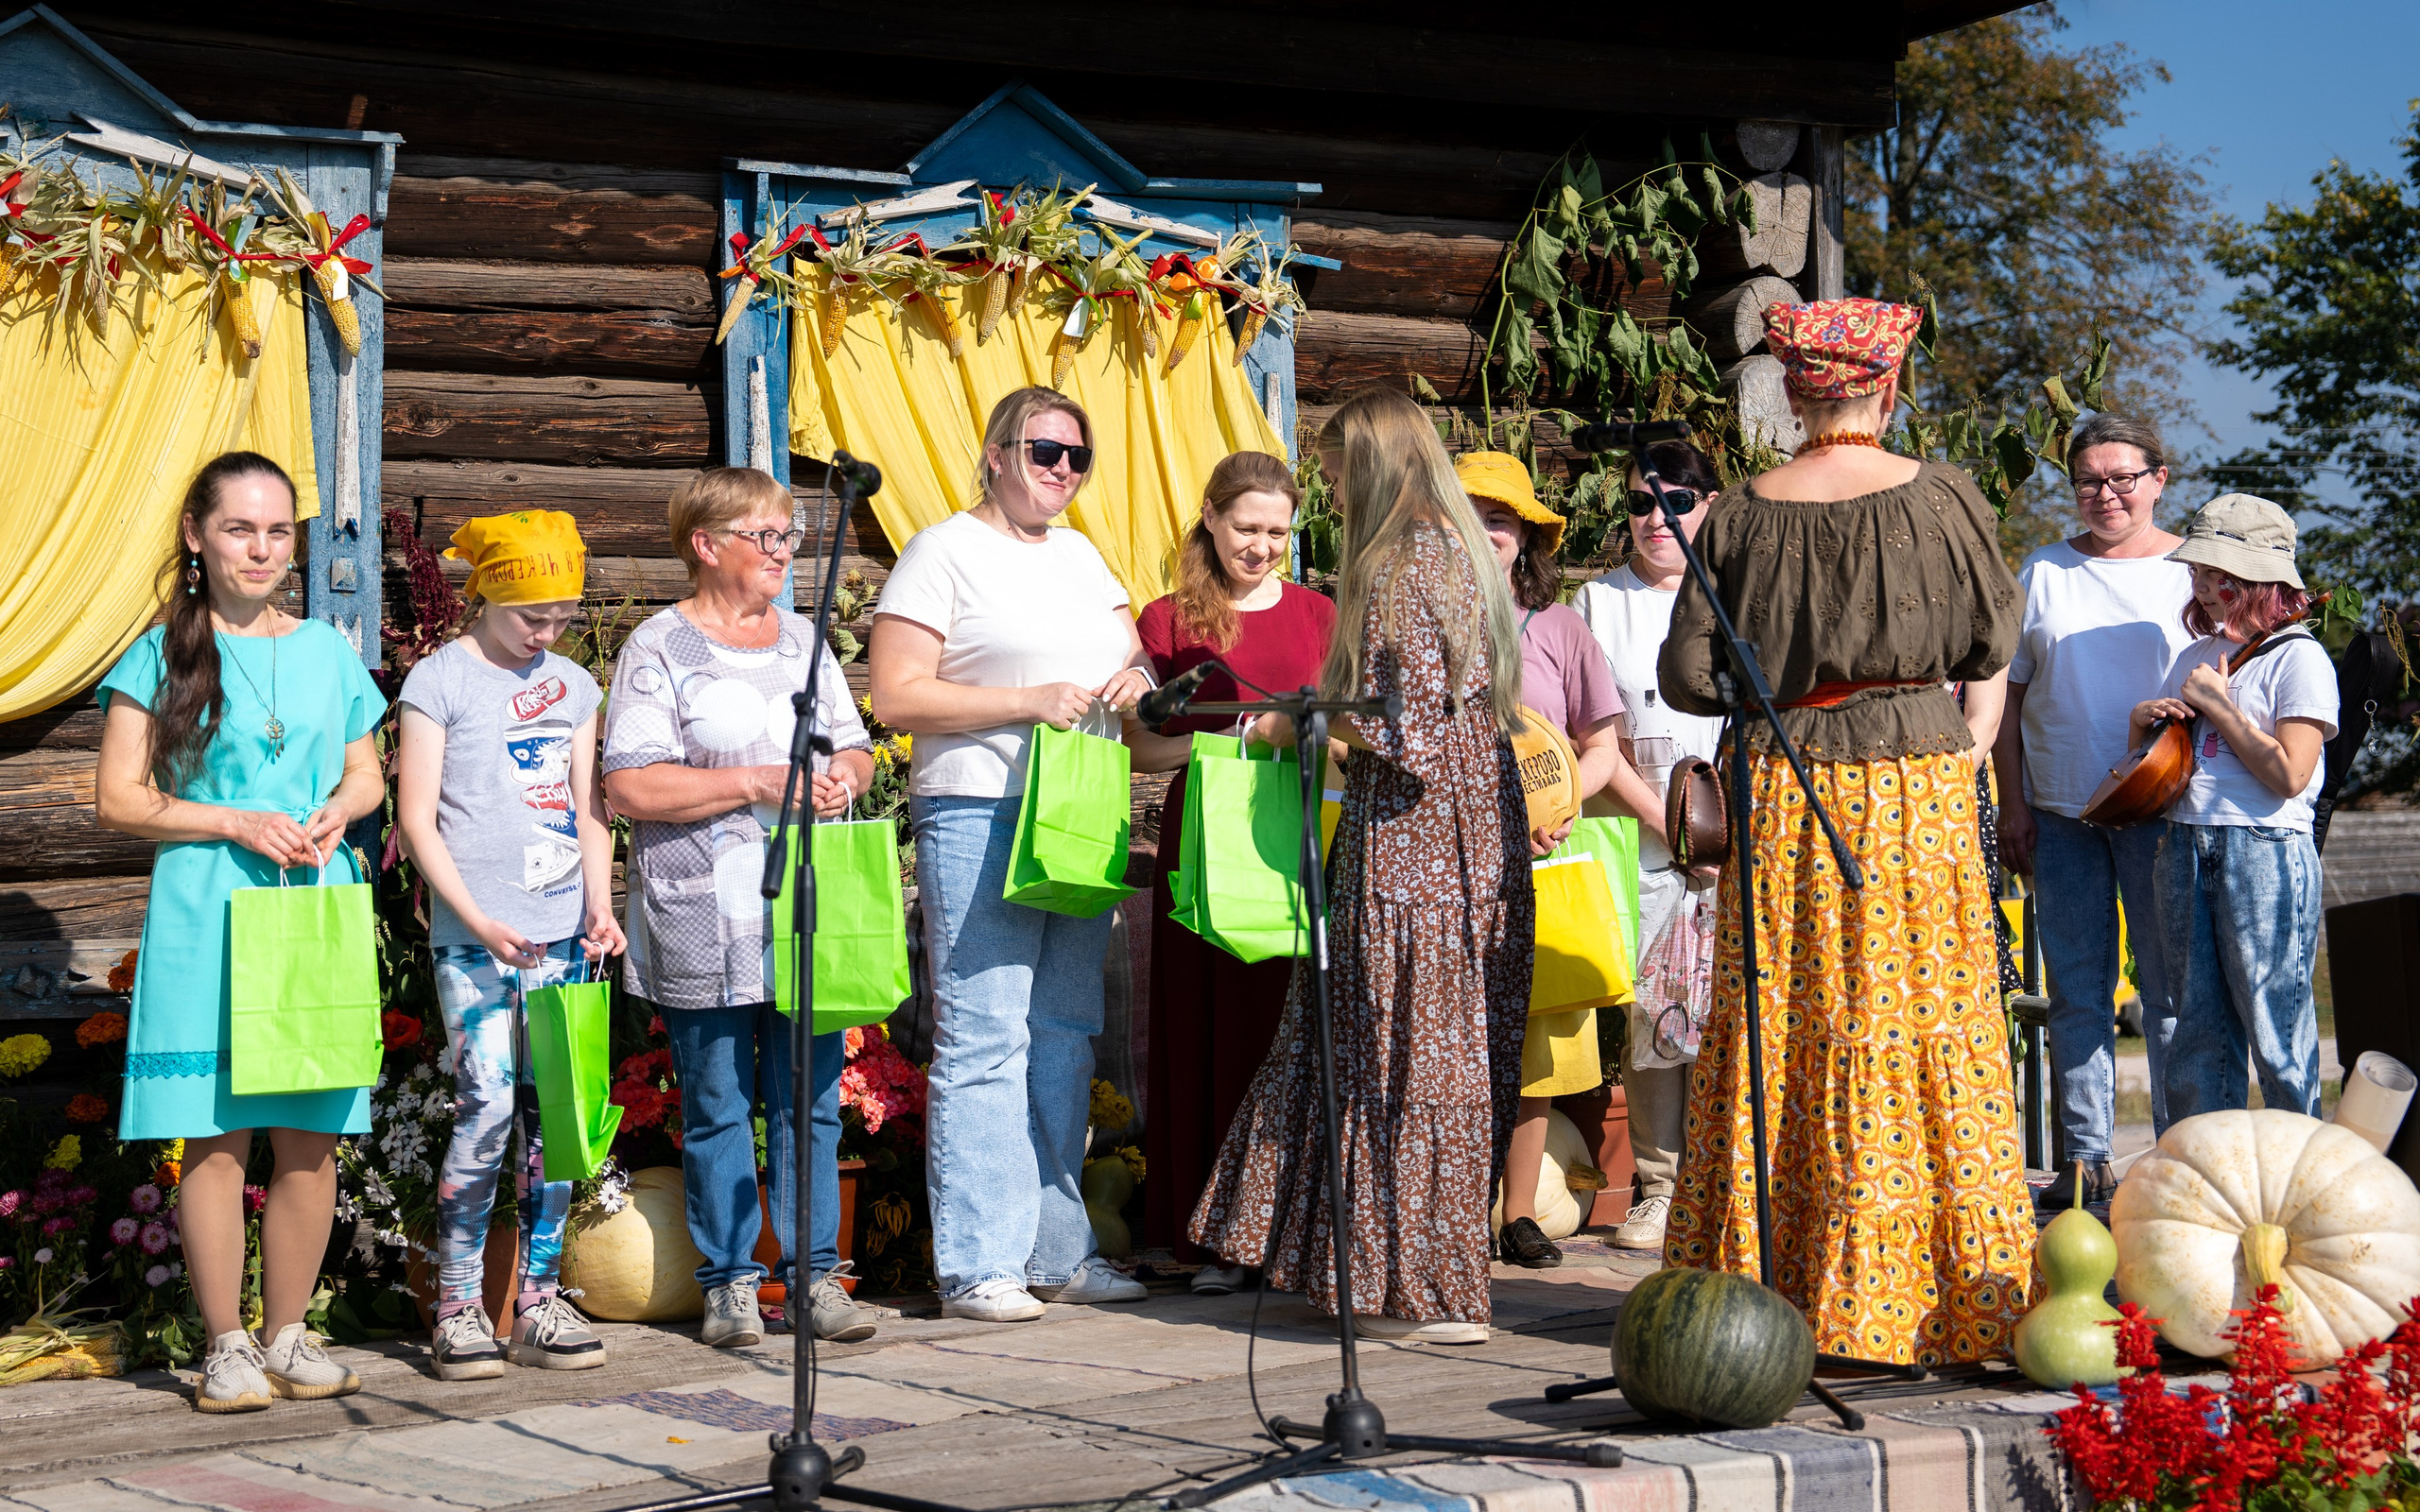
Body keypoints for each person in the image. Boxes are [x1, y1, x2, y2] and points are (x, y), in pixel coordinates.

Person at [1658, 299, 2034, 1367]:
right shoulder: (1946, 494)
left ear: (1792, 389)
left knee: (1787, 1017)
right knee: (1927, 1019)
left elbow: (1686, 676)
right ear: (1888, 380)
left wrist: (1779, 665)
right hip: (1915, 780)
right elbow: (1989, 636)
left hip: (1787, 781)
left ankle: (1771, 1298)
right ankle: (1944, 1297)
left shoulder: (1737, 512)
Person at [1189, 387, 1532, 1347]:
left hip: (1409, 838)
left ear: (1374, 468)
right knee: (1444, 1050)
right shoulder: (1463, 553)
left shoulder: (1393, 562)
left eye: (1337, 478)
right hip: (1469, 828)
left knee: (1394, 1045)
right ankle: (1440, 1279)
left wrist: (1306, 714)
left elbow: (1402, 726)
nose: (1334, 498)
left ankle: (1397, 1288)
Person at [95, 452, 385, 1413]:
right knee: (217, 1138)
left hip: (307, 897)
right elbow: (118, 799)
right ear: (196, 535)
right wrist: (233, 819)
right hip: (206, 903)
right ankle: (226, 1345)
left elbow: (367, 773)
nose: (261, 550)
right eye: (239, 529)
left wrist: (338, 811)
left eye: (276, 531)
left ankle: (289, 1333)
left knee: (311, 1136)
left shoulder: (327, 651)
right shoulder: (161, 652)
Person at [869, 387, 1156, 1322]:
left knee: (1066, 1035)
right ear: (995, 453)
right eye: (1044, 452)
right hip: (980, 807)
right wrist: (1025, 700)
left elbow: (1136, 658)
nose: (1062, 472)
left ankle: (1054, 1249)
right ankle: (977, 1264)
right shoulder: (940, 551)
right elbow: (897, 697)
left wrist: (1137, 677)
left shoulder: (1080, 555)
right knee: (986, 1035)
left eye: (1077, 457)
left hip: (1076, 807)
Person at [601, 467, 880, 1349]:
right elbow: (631, 785)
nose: (783, 551)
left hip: (803, 914)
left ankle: (815, 1278)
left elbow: (858, 747)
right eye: (764, 535)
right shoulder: (658, 648)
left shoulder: (802, 640)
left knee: (812, 1099)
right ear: (705, 545)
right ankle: (728, 1282)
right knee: (719, 1104)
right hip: (701, 914)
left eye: (789, 533)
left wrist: (841, 779)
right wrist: (756, 782)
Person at [395, 510, 626, 1379]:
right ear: (485, 592)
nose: (549, 630)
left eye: (564, 613)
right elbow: (417, 818)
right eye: (534, 613)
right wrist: (475, 918)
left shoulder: (572, 685)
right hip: (476, 940)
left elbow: (586, 805)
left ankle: (539, 1297)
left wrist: (600, 907)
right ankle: (458, 1303)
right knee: (487, 1105)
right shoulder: (439, 680)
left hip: (563, 937)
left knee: (557, 1118)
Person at [1123, 451, 1337, 1296]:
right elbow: (1142, 743)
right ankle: (1213, 1234)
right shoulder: (1171, 618)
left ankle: (1287, 1227)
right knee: (1207, 1026)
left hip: (1294, 833)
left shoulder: (1320, 613)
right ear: (1210, 519)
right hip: (1204, 832)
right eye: (1247, 528)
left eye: (1279, 532)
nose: (1262, 547)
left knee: (1284, 1023)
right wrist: (1238, 737)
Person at [1992, 413, 2192, 1210]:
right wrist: (2013, 801)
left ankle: (2180, 1162)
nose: (2106, 494)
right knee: (2079, 989)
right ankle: (2086, 1162)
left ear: (2159, 479)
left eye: (2122, 478)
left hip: (2163, 809)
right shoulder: (2043, 571)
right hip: (2062, 811)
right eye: (2088, 481)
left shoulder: (2191, 574)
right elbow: (2003, 698)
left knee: (2173, 992)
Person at [1457, 450, 1648, 1270]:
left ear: (1525, 539)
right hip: (1443, 865)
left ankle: (1517, 1213)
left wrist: (1565, 806)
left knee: (1537, 1042)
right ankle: (1446, 1210)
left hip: (1537, 864)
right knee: (1446, 1035)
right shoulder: (1416, 619)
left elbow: (1601, 747)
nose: (1487, 533)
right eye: (1471, 517)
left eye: (1500, 520)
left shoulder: (1562, 628)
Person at [1572, 440, 1729, 1255]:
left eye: (1677, 500)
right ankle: (1662, 1189)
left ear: (1709, 504)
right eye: (1640, 502)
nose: (1656, 519)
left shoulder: (1740, 593)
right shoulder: (1600, 604)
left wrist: (1727, 831)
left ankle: (1727, 1182)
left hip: (1740, 831)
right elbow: (1590, 733)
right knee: (1657, 1015)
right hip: (1643, 827)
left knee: (1731, 1008)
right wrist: (1673, 827)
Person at [2138, 495, 2335, 1124]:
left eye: (2213, 570)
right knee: (2196, 1027)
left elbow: (2290, 775)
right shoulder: (2194, 657)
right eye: (2197, 568)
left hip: (2265, 849)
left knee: (2276, 1024)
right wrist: (2145, 727)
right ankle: (2209, 1181)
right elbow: (2171, 768)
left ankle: (2299, 1180)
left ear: (2252, 581)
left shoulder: (2299, 657)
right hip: (2185, 843)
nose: (2198, 581)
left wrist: (2222, 709)